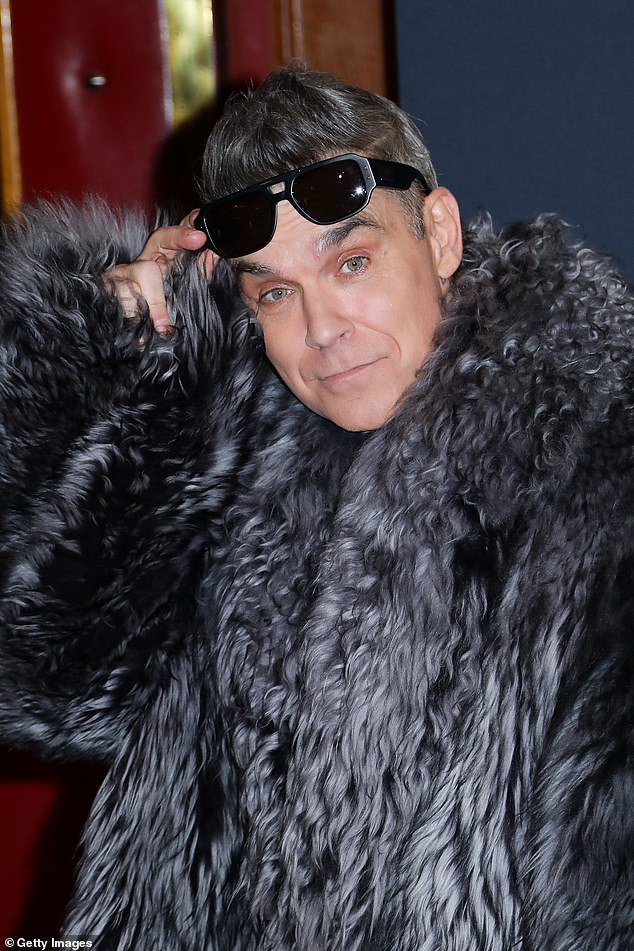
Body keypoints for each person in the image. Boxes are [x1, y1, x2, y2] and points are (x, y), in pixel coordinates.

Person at [0, 63, 632, 950]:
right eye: (274, 293)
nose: (321, 329)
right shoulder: (228, 452)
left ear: (440, 234)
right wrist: (122, 359)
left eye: (354, 261)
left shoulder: (602, 479)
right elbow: (48, 688)